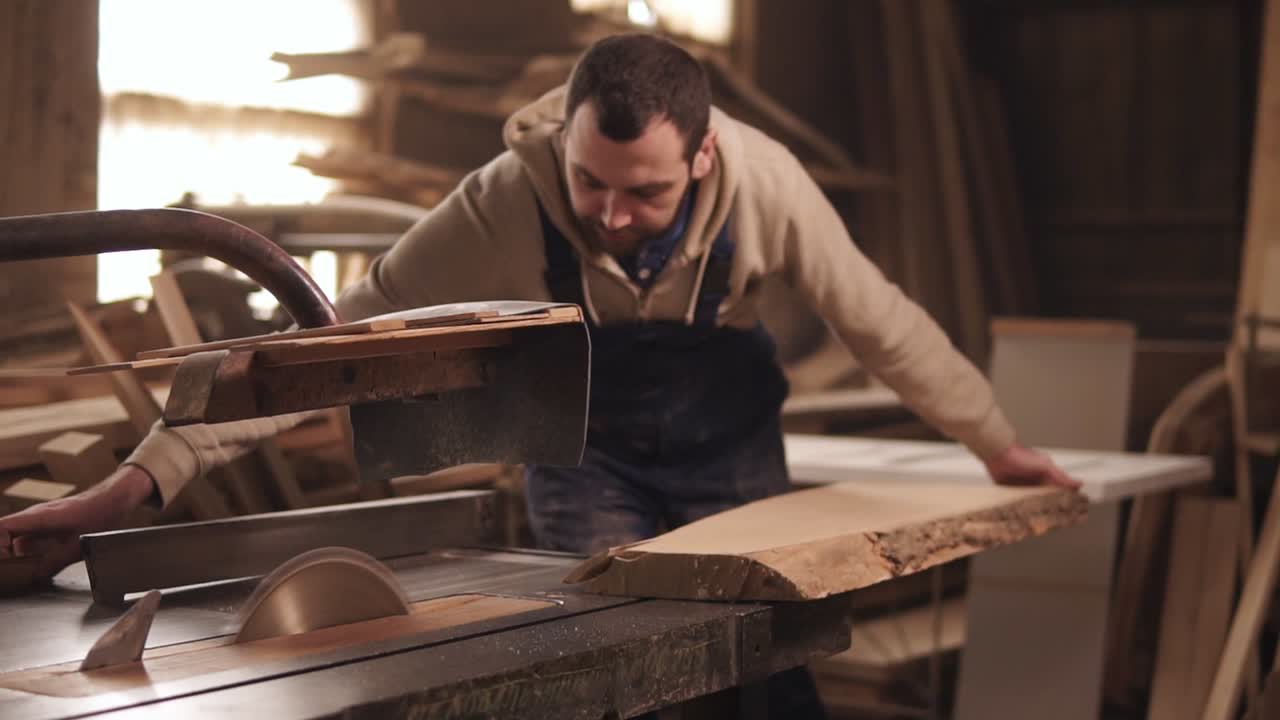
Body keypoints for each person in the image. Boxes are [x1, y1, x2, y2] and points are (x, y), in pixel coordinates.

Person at [1, 33, 1076, 718]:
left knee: (765, 663)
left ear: (701, 159)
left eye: (642, 193)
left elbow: (881, 323)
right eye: (588, 183)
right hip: (589, 450)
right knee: (587, 660)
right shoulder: (501, 203)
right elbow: (319, 354)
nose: (608, 215)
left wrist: (995, 446)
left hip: (726, 449)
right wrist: (140, 486)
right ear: (562, 140)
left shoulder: (770, 192)